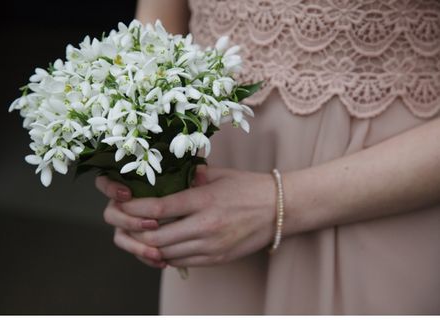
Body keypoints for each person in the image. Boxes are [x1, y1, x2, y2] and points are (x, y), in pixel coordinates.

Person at [95, 0, 440, 314]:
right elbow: (156, 26)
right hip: (211, 216)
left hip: (378, 204)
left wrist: (277, 203)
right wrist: (139, 165)